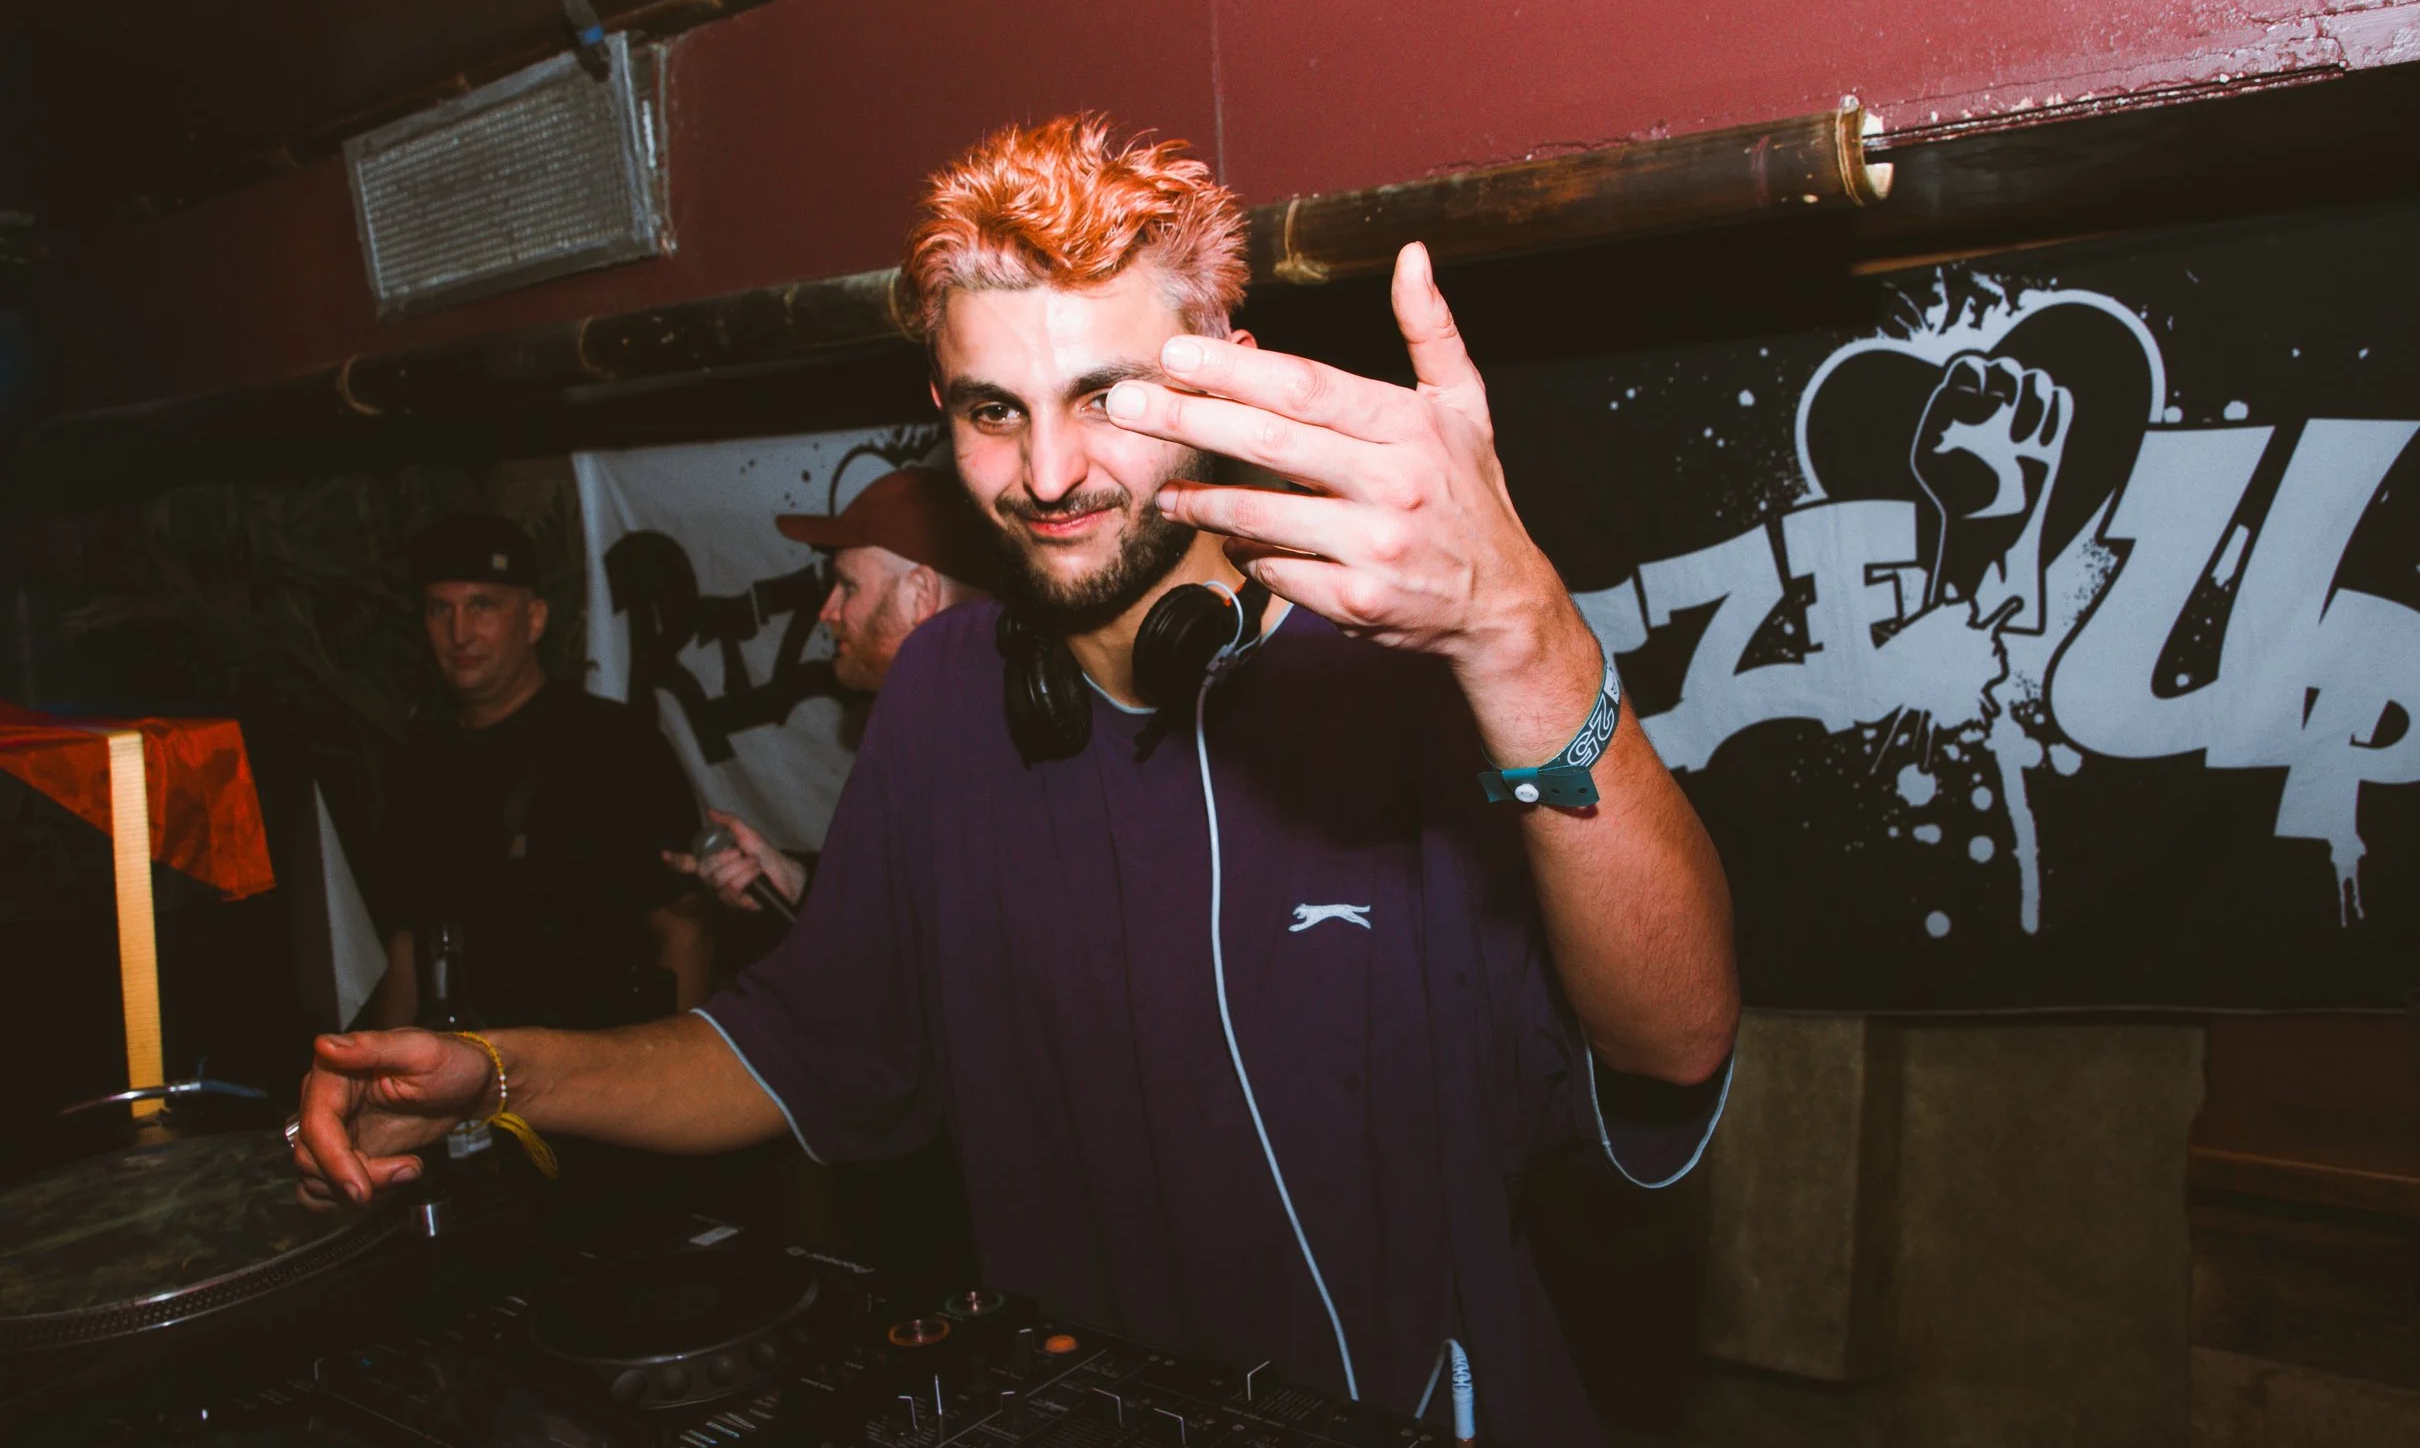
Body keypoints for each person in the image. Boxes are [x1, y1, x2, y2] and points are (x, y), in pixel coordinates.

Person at [297, 119, 1738, 1448]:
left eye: (1108, 395)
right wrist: (498, 1071)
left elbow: (1673, 1039)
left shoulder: (1398, 668)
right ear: (943, 407)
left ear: (1226, 371)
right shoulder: (940, 697)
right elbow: (796, 1048)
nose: (1050, 471)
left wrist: (1522, 628)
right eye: (996, 410)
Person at [366, 513, 709, 1030]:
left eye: (482, 606)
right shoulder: (419, 760)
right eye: (440, 609)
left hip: (598, 1060)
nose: (459, 633)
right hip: (465, 1064)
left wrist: (668, 1068)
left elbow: (684, 930)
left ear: (534, 619)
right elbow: (410, 945)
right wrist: (383, 1064)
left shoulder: (613, 745)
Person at [665, 462, 994, 917]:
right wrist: (795, 883)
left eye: (848, 586)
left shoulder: (998, 749)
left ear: (920, 594)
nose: (828, 611)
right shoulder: (924, 736)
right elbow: (900, 917)